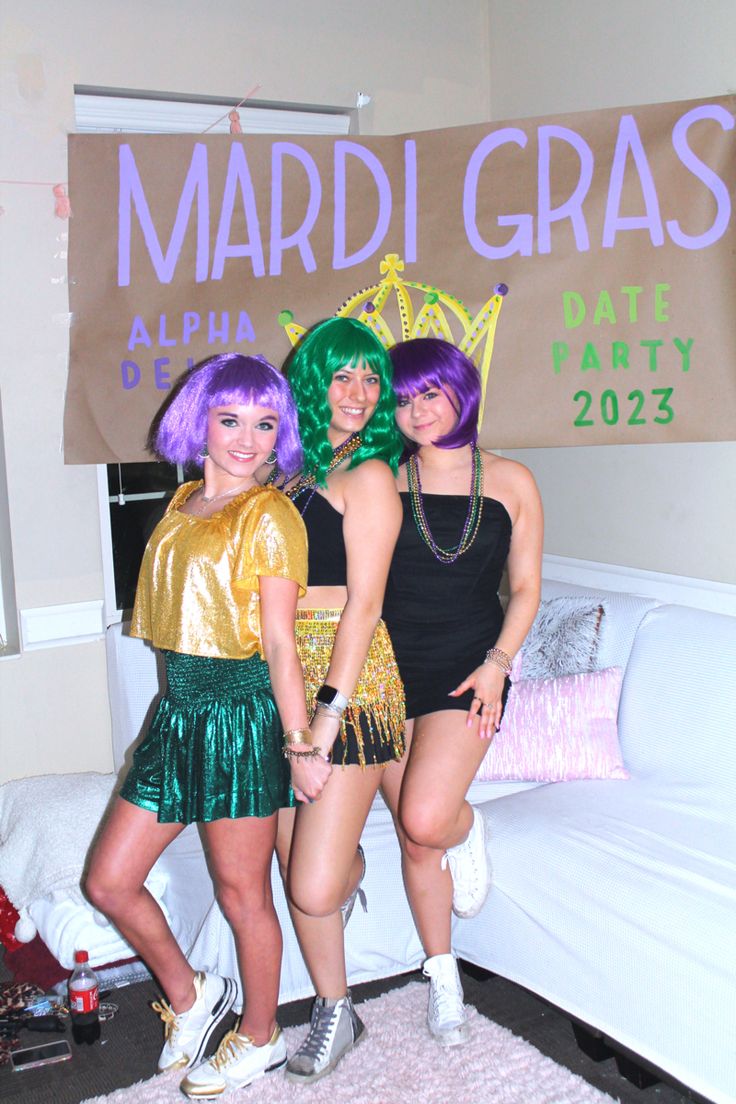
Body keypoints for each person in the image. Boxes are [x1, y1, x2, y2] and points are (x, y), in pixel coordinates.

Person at [86, 353, 331, 1099]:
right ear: (201, 422)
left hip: (237, 713)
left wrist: (298, 744)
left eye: (265, 424)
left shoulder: (270, 514)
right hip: (179, 714)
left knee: (242, 894)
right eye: (231, 421)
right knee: (108, 881)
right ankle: (194, 999)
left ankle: (260, 1035)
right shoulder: (185, 500)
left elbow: (282, 642)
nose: (248, 439)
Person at [379, 337, 543, 1047]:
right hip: (385, 675)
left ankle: (465, 825)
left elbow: (529, 587)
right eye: (403, 399)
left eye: (428, 394)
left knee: (424, 818)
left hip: (467, 675)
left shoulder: (511, 480)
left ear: (460, 392)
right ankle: (443, 979)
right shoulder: (379, 478)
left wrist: (499, 663)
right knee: (417, 843)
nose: (415, 411)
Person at [267, 316, 406, 1083]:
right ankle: (335, 1006)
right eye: (341, 376)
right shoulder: (287, 474)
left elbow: (363, 606)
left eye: (370, 378)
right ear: (312, 383)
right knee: (295, 871)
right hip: (284, 678)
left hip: (348, 685)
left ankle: (345, 868)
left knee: (314, 884)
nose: (357, 393)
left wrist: (324, 716)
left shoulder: (371, 477)